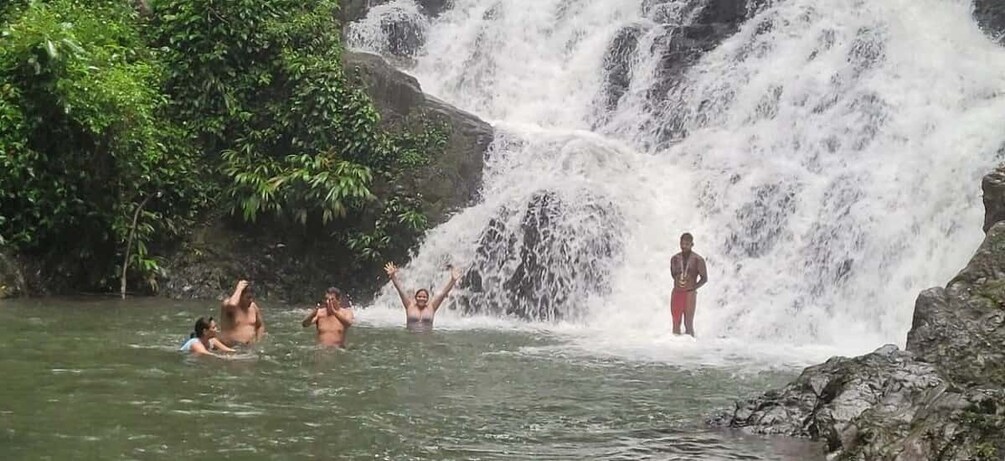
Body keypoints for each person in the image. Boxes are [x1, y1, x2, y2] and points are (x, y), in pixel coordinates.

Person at [384, 262, 461, 330]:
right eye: (419, 297)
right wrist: (393, 277)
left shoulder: (432, 307)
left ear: (427, 299)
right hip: (411, 336)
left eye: (424, 297)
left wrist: (452, 280)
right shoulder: (409, 306)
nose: (422, 299)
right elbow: (400, 290)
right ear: (415, 298)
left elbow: (443, 293)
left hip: (427, 337)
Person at [669, 232, 707, 337]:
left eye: (687, 244)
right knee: (676, 323)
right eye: (682, 243)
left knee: (688, 323)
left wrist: (693, 288)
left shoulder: (698, 260)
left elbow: (704, 278)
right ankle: (675, 347)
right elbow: (673, 274)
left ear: (692, 244)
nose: (684, 246)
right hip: (676, 292)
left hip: (689, 294)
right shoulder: (674, 259)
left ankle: (690, 348)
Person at [219, 280, 265, 346]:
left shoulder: (253, 307)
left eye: (252, 297)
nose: (251, 300)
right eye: (248, 298)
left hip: (248, 348)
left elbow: (260, 325)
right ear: (239, 296)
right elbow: (232, 305)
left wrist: (258, 341)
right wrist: (239, 288)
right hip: (231, 349)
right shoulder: (227, 305)